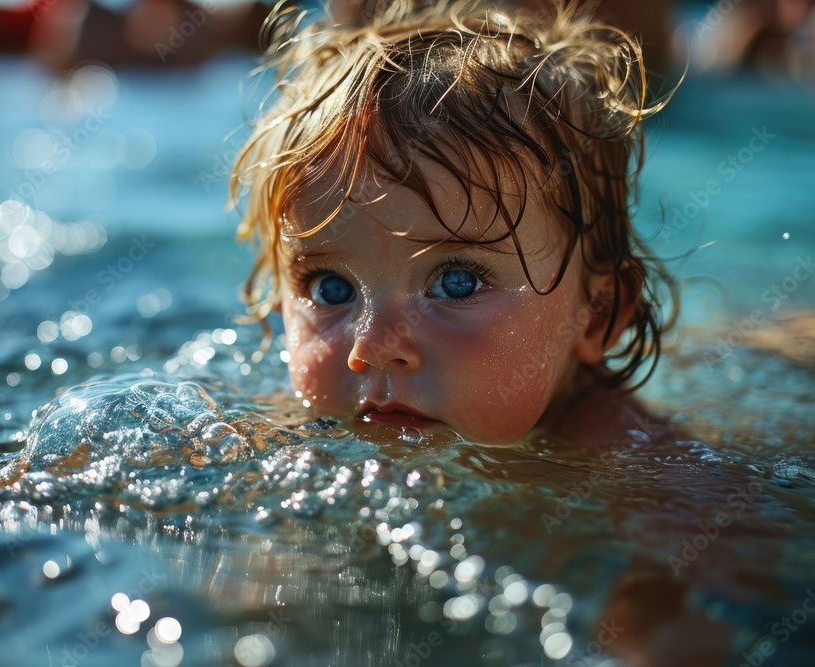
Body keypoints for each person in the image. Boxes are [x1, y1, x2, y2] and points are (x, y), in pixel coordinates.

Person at [229, 0, 679, 446]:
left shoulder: (631, 471)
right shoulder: (277, 433)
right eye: (331, 288)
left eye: (457, 282)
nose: (373, 348)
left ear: (595, 315)